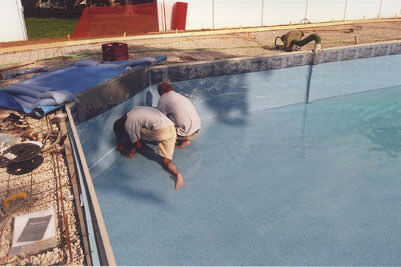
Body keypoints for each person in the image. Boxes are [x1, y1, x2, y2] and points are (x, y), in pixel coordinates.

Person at [113, 106, 184, 190]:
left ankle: (132, 147)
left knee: (136, 134)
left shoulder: (128, 124)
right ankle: (177, 174)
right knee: (166, 161)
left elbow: (138, 145)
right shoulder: (135, 109)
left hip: (161, 132)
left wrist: (130, 151)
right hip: (171, 129)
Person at [156, 81, 201, 148]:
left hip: (185, 134)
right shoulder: (179, 96)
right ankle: (185, 139)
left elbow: (158, 119)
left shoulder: (163, 98)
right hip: (196, 129)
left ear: (162, 91)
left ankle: (180, 139)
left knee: (160, 127)